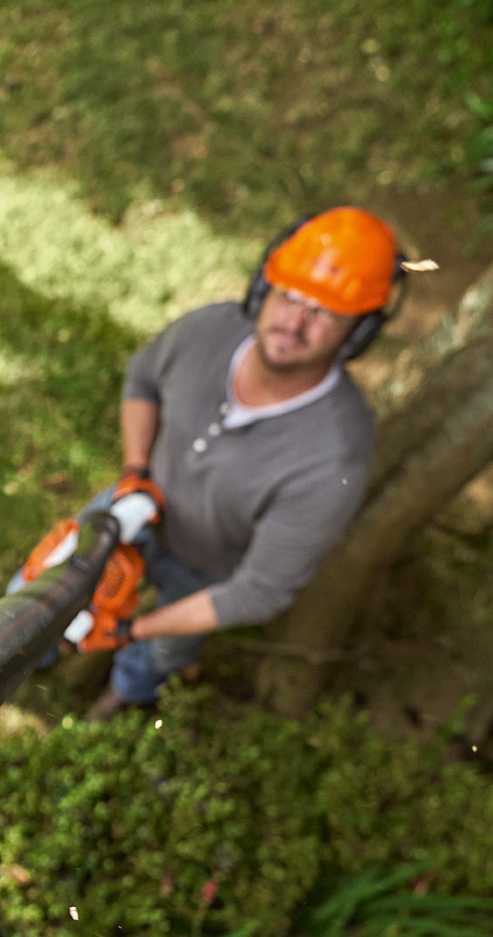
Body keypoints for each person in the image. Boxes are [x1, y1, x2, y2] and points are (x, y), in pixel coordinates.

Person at [80, 206, 407, 720]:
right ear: (262, 289)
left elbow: (259, 591)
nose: (294, 323)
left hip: (210, 570)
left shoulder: (333, 454)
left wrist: (130, 629)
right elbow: (142, 379)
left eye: (323, 313)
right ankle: (24, 658)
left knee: (160, 653)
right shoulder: (208, 331)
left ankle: (123, 692)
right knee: (45, 584)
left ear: (358, 333)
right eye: (289, 296)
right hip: (138, 504)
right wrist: (134, 473)